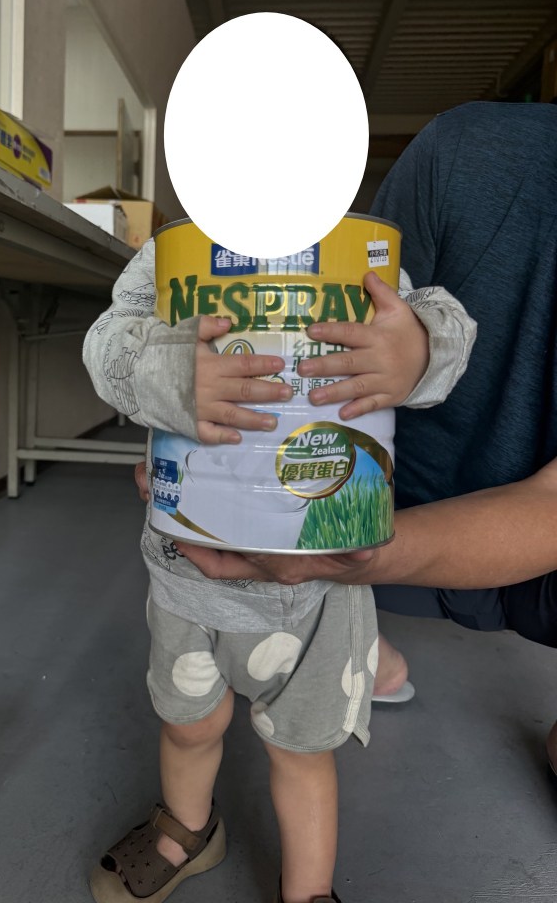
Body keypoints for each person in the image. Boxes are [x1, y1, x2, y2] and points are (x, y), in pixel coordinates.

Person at [82, 232, 475, 903]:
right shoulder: (172, 252)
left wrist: (418, 349)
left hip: (321, 584)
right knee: (188, 725)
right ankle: (190, 830)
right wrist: (165, 368)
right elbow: (108, 341)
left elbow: (445, 322)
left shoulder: (358, 252)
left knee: (302, 747)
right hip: (187, 570)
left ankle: (308, 890)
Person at [175, 100, 557, 773]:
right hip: (379, 480)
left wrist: (420, 352)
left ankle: (349, 621)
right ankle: (362, 638)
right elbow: (119, 346)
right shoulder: (462, 154)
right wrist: (169, 386)